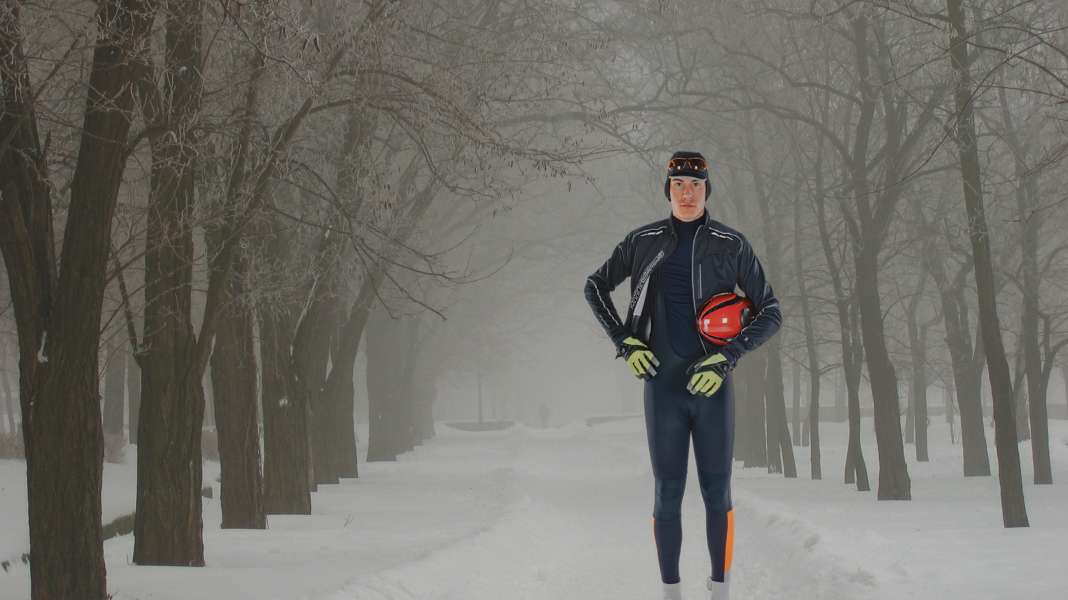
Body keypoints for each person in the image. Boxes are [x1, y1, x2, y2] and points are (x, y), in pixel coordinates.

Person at [583, 151, 782, 600]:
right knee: (667, 494)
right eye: (678, 185)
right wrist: (624, 341)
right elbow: (594, 286)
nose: (687, 193)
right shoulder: (642, 241)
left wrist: (727, 357)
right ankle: (670, 593)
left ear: (707, 190)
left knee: (717, 493)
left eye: (695, 185)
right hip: (662, 388)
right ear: (667, 190)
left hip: (713, 389)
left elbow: (770, 311)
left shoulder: (732, 244)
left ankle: (720, 591)